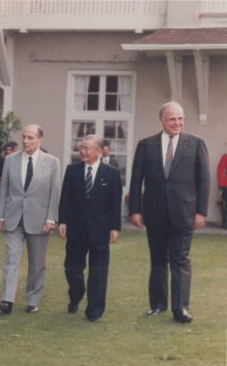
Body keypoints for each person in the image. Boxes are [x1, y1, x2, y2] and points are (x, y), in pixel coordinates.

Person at [129, 101, 210, 323]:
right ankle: (157, 304)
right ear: (162, 120)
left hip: (184, 212)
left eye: (181, 118)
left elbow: (204, 181)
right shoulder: (146, 145)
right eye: (173, 119)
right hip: (154, 213)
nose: (178, 123)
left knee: (181, 260)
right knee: (157, 260)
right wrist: (135, 210)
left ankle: (180, 308)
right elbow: (136, 180)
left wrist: (201, 211)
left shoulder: (195, 144)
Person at [0, 124, 60, 314]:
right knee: (11, 258)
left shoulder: (52, 162)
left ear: (40, 139)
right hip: (13, 217)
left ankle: (33, 299)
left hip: (40, 220)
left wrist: (51, 219)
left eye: (30, 138)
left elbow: (54, 193)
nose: (25, 141)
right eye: (24, 137)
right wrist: (0, 215)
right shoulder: (10, 160)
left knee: (37, 263)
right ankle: (7, 300)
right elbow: (4, 190)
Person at [58, 134, 122, 322]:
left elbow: (115, 203)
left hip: (100, 229)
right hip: (76, 229)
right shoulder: (72, 170)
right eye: (81, 147)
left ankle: (95, 310)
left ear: (99, 151)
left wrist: (115, 227)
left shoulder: (111, 173)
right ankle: (76, 294)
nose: (82, 151)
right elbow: (65, 198)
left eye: (87, 148)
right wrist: (63, 221)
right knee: (72, 269)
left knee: (98, 271)